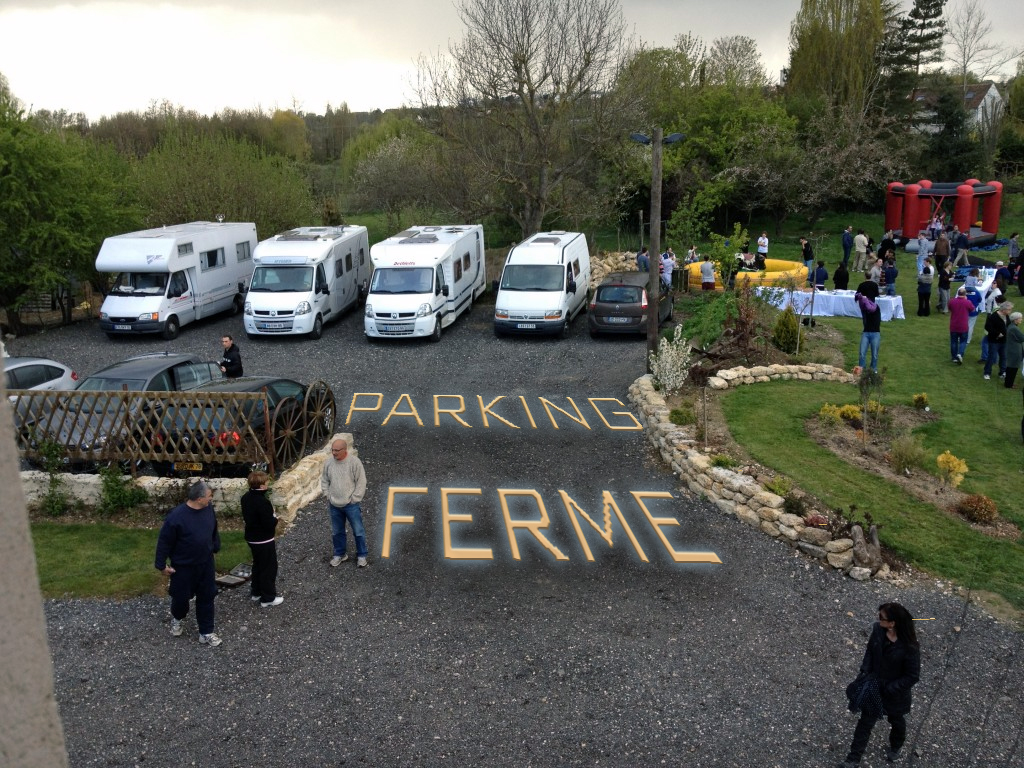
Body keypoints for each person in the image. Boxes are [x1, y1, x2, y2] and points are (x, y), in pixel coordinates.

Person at [840, 602, 921, 767]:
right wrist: (865, 671)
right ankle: (853, 760)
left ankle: (896, 746)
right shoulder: (878, 630)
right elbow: (870, 651)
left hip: (895, 695)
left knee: (896, 720)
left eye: (881, 617)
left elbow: (912, 676)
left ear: (892, 623)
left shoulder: (910, 647)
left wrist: (891, 688)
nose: (878, 620)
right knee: (865, 723)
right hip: (874, 687)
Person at [154, 480, 222, 647]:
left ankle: (206, 632)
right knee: (180, 598)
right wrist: (161, 565)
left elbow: (213, 529)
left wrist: (215, 545)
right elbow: (164, 542)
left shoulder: (208, 509)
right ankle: (177, 618)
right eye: (209, 496)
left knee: (207, 597)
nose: (211, 499)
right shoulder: (176, 517)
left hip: (205, 564)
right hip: (183, 567)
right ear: (199, 498)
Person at [322, 438, 368, 568]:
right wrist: (328, 495)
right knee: (337, 532)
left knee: (358, 531)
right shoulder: (328, 463)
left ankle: (362, 555)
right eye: (332, 450)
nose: (334, 453)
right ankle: (340, 554)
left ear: (344, 450)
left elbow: (361, 482)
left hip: (351, 505)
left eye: (337, 450)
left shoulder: (354, 462)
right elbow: (324, 480)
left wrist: (355, 499)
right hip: (334, 505)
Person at [241, 470, 282, 608]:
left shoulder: (245, 497)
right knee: (268, 568)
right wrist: (275, 519)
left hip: (251, 538)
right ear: (262, 485)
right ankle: (268, 598)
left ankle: (256, 591)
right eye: (266, 481)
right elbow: (268, 523)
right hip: (263, 539)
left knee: (257, 564)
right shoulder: (263, 502)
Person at [983, 301, 1013, 380]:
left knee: (1003, 357)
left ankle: (1002, 372)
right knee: (992, 357)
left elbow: (1008, 326)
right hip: (994, 341)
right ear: (1004, 309)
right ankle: (987, 373)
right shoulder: (993, 316)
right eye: (1009, 309)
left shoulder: (1007, 316)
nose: (1010, 311)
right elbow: (987, 327)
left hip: (1004, 340)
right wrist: (997, 334)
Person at [855, 287, 881, 373]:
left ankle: (873, 370)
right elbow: (862, 304)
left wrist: (865, 299)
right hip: (866, 333)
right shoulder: (864, 309)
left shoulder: (876, 308)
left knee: (874, 354)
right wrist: (860, 297)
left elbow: (870, 308)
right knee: (862, 353)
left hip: (875, 334)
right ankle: (861, 370)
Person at [947, 286, 973, 364]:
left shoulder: (952, 301)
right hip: (963, 326)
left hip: (954, 325)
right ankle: (960, 354)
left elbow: (950, 308)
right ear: (965, 294)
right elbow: (972, 309)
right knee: (963, 341)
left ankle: (954, 357)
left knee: (953, 342)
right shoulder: (967, 302)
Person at [1004, 312, 1024, 389]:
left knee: (1012, 367)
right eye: (1020, 318)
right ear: (1015, 320)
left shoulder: (1012, 326)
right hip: (1014, 350)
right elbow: (1022, 338)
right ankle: (1009, 384)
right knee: (1013, 367)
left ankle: (1009, 383)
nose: (1021, 319)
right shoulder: (1014, 328)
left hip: (1012, 348)